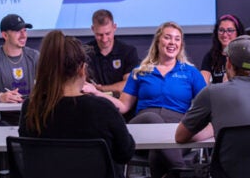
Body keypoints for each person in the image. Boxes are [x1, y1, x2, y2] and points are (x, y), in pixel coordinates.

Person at [83, 21, 206, 178]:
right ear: (158, 41)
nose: (172, 43)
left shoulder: (190, 72)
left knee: (158, 152)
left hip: (176, 132)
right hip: (143, 126)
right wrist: (96, 92)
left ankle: (179, 172)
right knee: (152, 118)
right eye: (168, 37)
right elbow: (123, 106)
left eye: (177, 39)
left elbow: (205, 104)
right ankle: (183, 170)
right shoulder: (140, 71)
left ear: (181, 44)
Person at [19, 30, 135, 178]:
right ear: (82, 69)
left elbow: (28, 155)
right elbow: (125, 153)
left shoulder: (31, 107)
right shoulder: (103, 109)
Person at [175, 35, 250, 154]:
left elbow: (180, 136)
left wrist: (211, 127)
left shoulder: (211, 93)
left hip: (228, 171)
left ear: (228, 63)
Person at [86, 9, 139, 98]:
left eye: (108, 33)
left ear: (114, 27)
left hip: (120, 103)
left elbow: (128, 85)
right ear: (92, 29)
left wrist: (101, 89)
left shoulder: (128, 52)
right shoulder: (84, 53)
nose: (104, 39)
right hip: (92, 103)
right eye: (99, 35)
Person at [201, 14, 245, 84]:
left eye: (230, 30)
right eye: (221, 30)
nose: (225, 34)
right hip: (217, 93)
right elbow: (203, 83)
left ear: (238, 32)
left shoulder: (245, 55)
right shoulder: (210, 56)